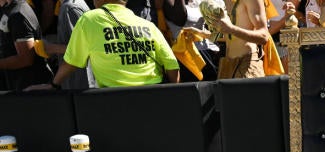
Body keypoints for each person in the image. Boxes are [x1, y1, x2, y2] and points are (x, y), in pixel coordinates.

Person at [26, 0, 180, 89]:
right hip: (154, 95)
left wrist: (53, 85)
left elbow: (72, 61)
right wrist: (173, 92)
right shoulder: (148, 25)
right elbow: (172, 65)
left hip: (111, 100)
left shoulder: (89, 19)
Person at [194, 0, 272, 78]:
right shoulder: (225, 1)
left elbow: (263, 37)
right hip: (227, 65)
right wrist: (202, 35)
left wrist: (231, 29)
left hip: (247, 64)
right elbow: (230, 37)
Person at [0, 0, 53, 90]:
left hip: (31, 88)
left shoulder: (18, 14)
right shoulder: (7, 8)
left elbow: (25, 59)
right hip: (16, 84)